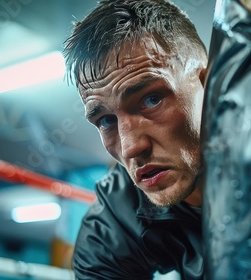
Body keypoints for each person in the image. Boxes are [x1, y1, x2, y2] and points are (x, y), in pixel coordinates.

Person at [62, 0, 208, 278]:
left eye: (151, 100)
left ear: (208, 85)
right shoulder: (114, 220)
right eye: (106, 120)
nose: (131, 147)